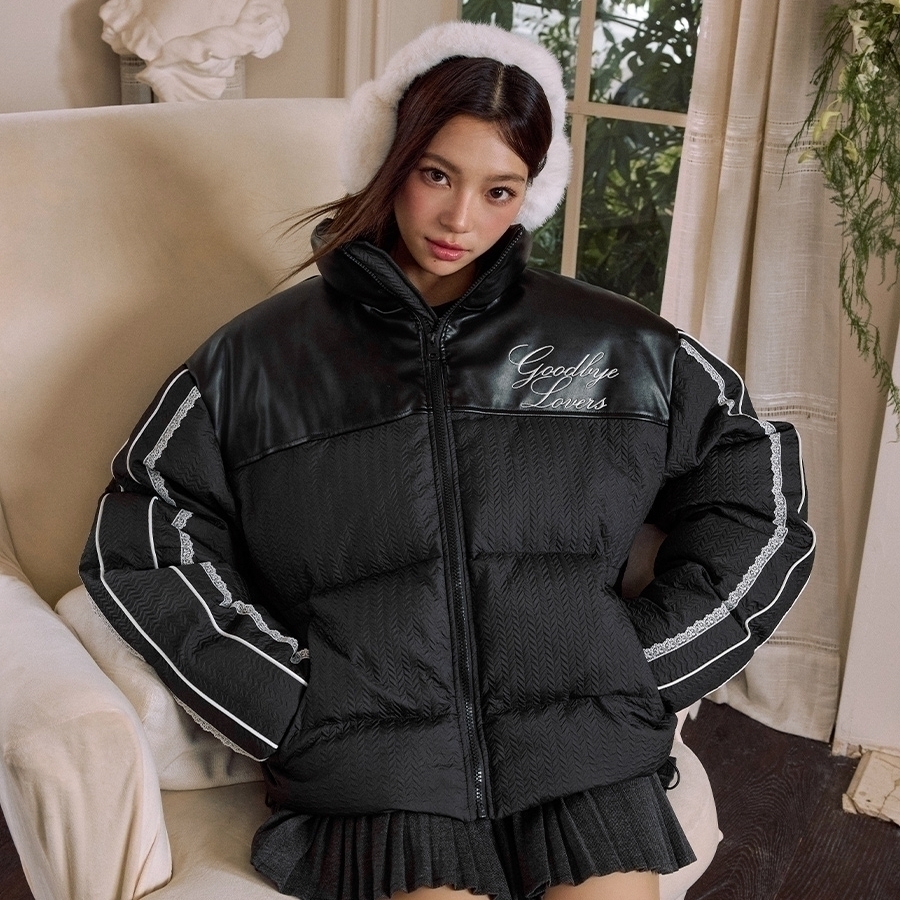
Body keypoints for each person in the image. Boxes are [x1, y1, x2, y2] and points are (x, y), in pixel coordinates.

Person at [79, 21, 816, 900]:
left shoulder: (616, 345)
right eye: (437, 175)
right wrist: (291, 705)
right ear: (390, 161)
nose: (460, 220)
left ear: (532, 194)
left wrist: (648, 664)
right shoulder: (254, 363)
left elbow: (757, 491)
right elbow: (143, 539)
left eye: (499, 190)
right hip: (383, 769)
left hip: (582, 747)